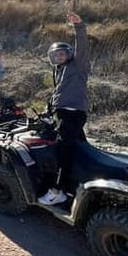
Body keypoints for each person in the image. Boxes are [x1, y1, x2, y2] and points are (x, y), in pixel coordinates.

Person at [38, 12, 89, 205]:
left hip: (73, 113)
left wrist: (79, 26)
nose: (59, 56)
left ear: (68, 54)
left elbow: (82, 47)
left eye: (62, 53)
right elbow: (58, 94)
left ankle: (58, 190)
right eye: (56, 54)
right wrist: (48, 108)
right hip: (62, 113)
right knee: (80, 148)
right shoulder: (58, 72)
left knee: (62, 150)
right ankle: (80, 180)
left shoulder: (77, 65)